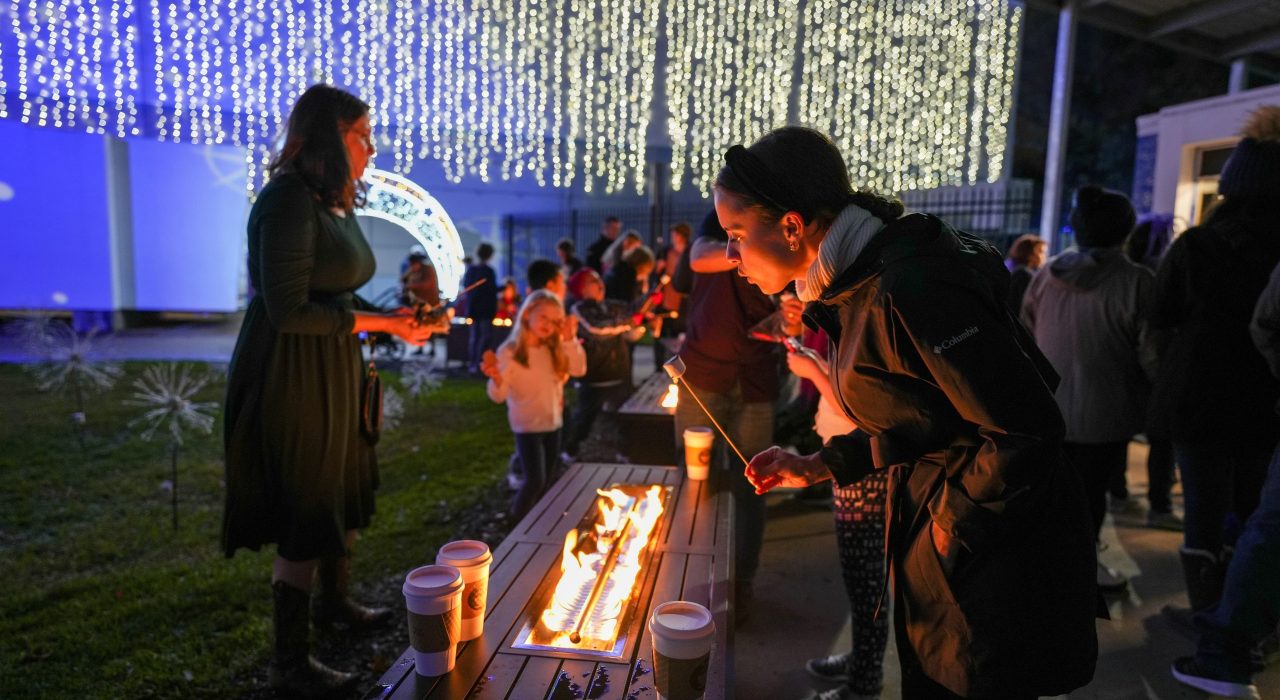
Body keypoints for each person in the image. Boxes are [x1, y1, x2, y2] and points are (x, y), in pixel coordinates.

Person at [725, 127, 1097, 698]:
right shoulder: (855, 283)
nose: (730, 255)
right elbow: (930, 417)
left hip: (992, 567)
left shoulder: (907, 287)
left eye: (736, 234)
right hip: (948, 547)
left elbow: (1024, 427)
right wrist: (823, 463)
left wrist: (951, 528)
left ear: (793, 227)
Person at [221, 84, 441, 696]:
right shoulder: (287, 200)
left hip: (334, 365)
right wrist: (383, 322)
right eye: (361, 134)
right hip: (292, 371)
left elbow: (337, 294)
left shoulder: (331, 202)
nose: (371, 146)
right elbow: (289, 308)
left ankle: (334, 605)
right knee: (307, 498)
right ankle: (288, 664)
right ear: (327, 136)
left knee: (342, 480)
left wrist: (401, 317)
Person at [1149, 106, 1280, 615]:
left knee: (1202, 504)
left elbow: (1160, 316)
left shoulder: (1199, 245)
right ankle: (1238, 611)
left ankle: (1206, 610)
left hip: (1197, 399)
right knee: (1252, 506)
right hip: (1264, 400)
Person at [1021, 185, 1156, 593]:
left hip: (1050, 408)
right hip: (1110, 410)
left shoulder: (1047, 275)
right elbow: (1151, 352)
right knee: (1090, 495)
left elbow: (1025, 334)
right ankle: (1080, 573)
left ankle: (1047, 566)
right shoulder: (1137, 282)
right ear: (1125, 231)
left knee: (1054, 494)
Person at [672, 210, 804, 626]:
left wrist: (792, 320)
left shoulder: (788, 228)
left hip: (755, 380)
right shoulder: (720, 220)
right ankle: (688, 578)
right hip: (704, 375)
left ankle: (741, 582)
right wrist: (751, 251)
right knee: (695, 482)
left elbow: (795, 317)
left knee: (753, 484)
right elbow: (698, 258)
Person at [1171, 260, 1280, 699]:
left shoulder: (1200, 254)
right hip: (1243, 410)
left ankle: (1225, 652)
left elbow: (1266, 323)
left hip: (1207, 402)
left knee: (1263, 528)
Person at [788, 341, 889, 700]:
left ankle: (864, 684)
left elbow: (863, 409)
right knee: (859, 577)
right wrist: (815, 358)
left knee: (866, 579)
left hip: (860, 463)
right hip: (847, 456)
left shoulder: (871, 309)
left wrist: (813, 371)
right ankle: (862, 657)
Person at [482, 290, 586, 520]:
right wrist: (496, 380)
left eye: (554, 320)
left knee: (548, 480)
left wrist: (569, 340)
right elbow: (499, 396)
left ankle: (538, 522)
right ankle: (517, 522)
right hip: (527, 426)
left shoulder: (554, 349)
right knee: (535, 479)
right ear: (527, 314)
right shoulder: (510, 352)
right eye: (543, 317)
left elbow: (579, 369)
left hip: (553, 424)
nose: (548, 325)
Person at [1124, 214, 1182, 531]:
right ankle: (1159, 504)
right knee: (1163, 441)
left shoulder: (1130, 272)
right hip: (1157, 369)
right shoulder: (1152, 277)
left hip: (1128, 369)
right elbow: (1153, 335)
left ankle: (1120, 491)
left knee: (1124, 441)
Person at [564, 268, 646, 459]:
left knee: (626, 417)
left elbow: (633, 309)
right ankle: (569, 451)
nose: (600, 283)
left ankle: (626, 451)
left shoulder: (611, 306)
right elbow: (597, 328)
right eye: (593, 280)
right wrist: (630, 322)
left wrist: (650, 296)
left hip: (618, 373)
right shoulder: (579, 310)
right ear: (582, 288)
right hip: (594, 377)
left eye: (599, 278)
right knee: (584, 417)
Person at [653, 222, 691, 369]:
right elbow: (657, 273)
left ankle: (680, 367)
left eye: (676, 234)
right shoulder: (665, 251)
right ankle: (659, 367)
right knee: (661, 334)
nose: (673, 237)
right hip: (665, 300)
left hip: (682, 301)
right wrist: (660, 271)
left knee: (680, 335)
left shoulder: (689, 252)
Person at [462, 242, 499, 373]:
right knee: (484, 337)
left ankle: (473, 363)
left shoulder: (472, 270)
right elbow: (491, 290)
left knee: (475, 337)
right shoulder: (488, 271)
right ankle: (478, 363)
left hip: (473, 308)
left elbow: (467, 286)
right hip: (485, 309)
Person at [1004, 234, 1045, 315]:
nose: (1043, 256)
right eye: (1041, 252)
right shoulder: (1022, 275)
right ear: (1030, 254)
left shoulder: (1009, 266)